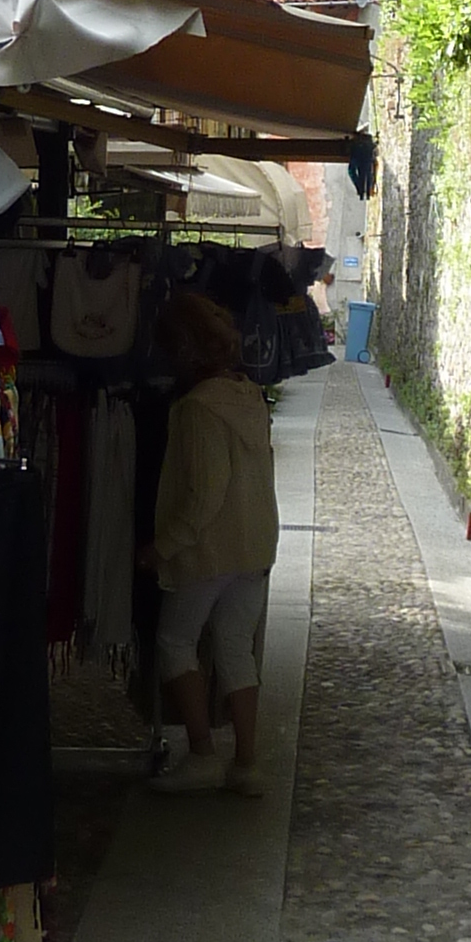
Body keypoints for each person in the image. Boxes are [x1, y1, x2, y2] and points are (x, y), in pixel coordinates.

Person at [144, 288, 277, 797]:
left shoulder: (198, 410)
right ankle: (246, 763)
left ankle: (201, 753)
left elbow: (203, 494)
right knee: (236, 649)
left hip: (208, 551)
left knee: (176, 643)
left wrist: (162, 548)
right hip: (255, 543)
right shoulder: (248, 396)